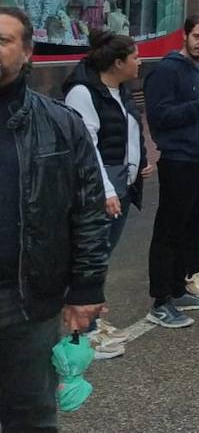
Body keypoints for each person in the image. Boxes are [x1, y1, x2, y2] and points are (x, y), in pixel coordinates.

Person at [0, 7, 108, 430]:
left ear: (27, 53)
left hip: (25, 300)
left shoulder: (61, 124)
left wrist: (86, 288)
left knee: (29, 414)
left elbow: (87, 210)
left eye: (3, 40)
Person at [143, 13, 199, 326]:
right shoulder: (167, 70)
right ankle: (160, 299)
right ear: (185, 36)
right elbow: (160, 118)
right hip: (180, 160)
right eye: (197, 37)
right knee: (170, 230)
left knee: (196, 229)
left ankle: (179, 287)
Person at [61, 30, 146, 357]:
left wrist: (140, 164)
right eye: (135, 57)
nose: (139, 62)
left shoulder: (120, 89)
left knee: (102, 258)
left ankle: (93, 319)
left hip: (120, 183)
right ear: (118, 62)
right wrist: (105, 190)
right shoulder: (82, 93)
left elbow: (132, 131)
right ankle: (81, 335)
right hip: (99, 188)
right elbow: (87, 147)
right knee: (87, 261)